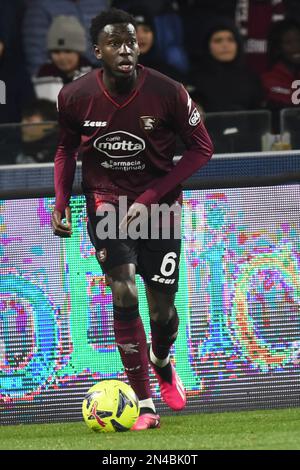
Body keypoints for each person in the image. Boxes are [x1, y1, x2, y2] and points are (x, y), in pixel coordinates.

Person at [51, 8, 213, 431]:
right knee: (122, 291)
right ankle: (143, 403)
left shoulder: (168, 91)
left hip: (158, 210)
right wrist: (62, 199)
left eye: (131, 42)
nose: (125, 50)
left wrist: (153, 195)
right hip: (106, 204)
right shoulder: (74, 95)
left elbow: (201, 148)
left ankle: (161, 360)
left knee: (162, 312)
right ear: (97, 50)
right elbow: (66, 149)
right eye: (115, 43)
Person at [190, 19, 262, 112]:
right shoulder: (196, 79)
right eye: (218, 41)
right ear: (207, 46)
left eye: (230, 40)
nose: (225, 45)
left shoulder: (251, 78)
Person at [33, 16, 93, 103]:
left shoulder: (95, 76)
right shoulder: (43, 75)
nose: (62, 57)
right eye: (56, 52)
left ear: (79, 52)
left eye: (68, 51)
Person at [262, 19, 300, 131]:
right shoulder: (268, 80)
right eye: (288, 42)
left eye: (299, 40)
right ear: (278, 48)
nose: (296, 47)